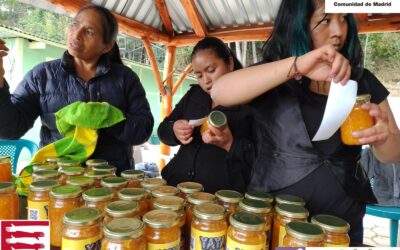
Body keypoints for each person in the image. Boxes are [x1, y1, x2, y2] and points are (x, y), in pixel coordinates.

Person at [211, 0, 400, 244]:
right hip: (277, 221)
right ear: (297, 24)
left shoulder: (361, 82)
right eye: (325, 20)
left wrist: (384, 138)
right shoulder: (274, 74)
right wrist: (298, 64)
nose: (338, 31)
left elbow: (392, 153)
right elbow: (220, 92)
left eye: (343, 18)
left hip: (342, 225)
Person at [0, 5, 154, 174]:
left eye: (89, 31)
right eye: (75, 24)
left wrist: (108, 117)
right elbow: (10, 129)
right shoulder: (42, 75)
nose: (77, 34)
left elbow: (143, 131)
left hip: (111, 183)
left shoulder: (125, 78)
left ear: (106, 46)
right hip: (57, 182)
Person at [157, 37, 256, 193]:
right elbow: (163, 130)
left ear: (229, 64)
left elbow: (267, 158)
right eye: (199, 75)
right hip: (177, 188)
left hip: (222, 198)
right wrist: (174, 130)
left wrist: (230, 144)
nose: (206, 81)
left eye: (211, 71)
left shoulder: (251, 101)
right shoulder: (194, 95)